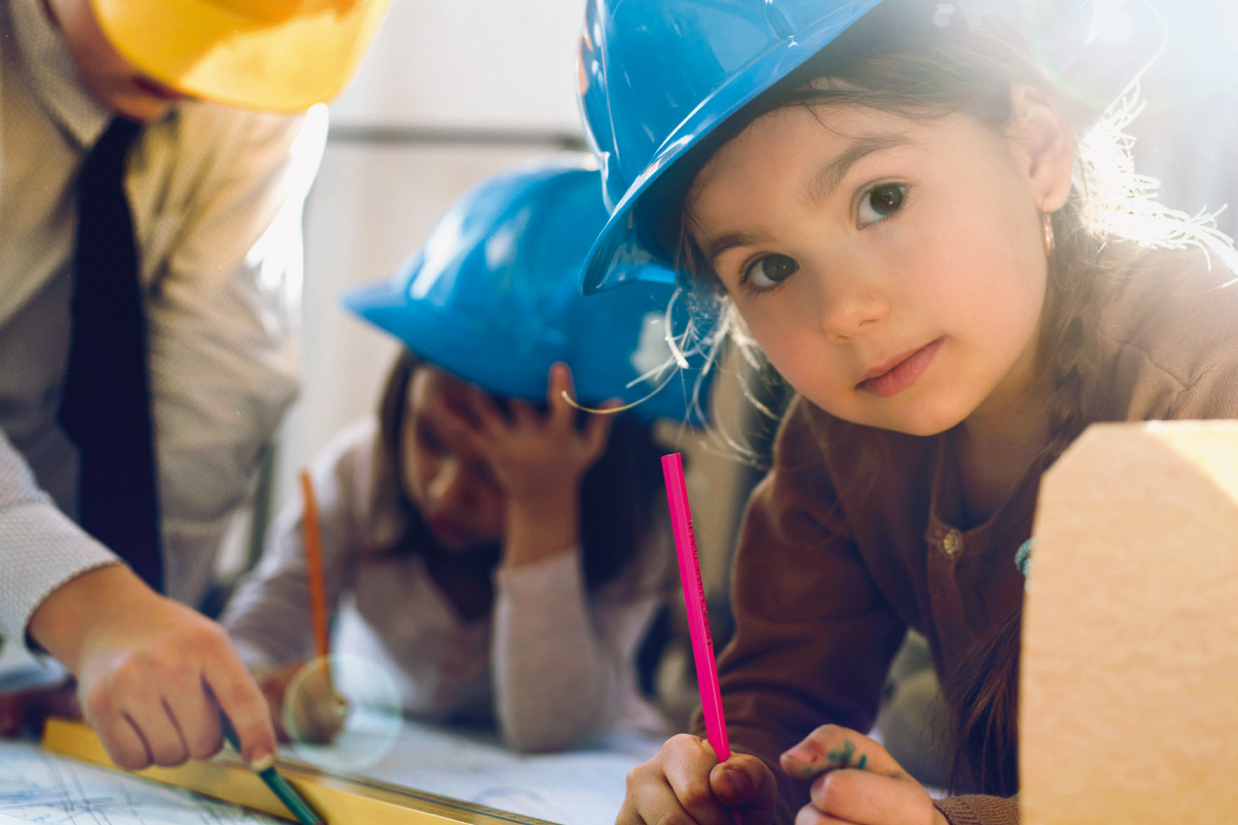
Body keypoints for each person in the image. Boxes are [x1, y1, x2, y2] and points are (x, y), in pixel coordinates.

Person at [574, 0, 1238, 822]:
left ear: (1036, 148)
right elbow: (776, 696)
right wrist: (716, 785)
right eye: (771, 267)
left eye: (882, 197)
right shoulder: (837, 442)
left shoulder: (1207, 385)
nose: (844, 311)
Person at [0, 0, 388, 772]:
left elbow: (222, 373)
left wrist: (143, 632)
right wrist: (90, 606)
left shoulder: (257, 78)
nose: (209, 64)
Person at [221, 159, 713, 753]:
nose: (446, 492)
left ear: (595, 460)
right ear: (404, 397)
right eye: (431, 438)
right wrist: (254, 678)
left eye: (494, 471)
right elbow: (260, 627)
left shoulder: (639, 517)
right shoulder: (359, 472)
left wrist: (542, 509)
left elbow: (550, 727)